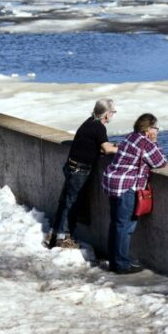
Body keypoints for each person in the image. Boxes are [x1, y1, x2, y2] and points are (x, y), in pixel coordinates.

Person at [48, 98, 118, 249]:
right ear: (106, 114)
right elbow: (106, 149)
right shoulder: (99, 127)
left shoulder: (89, 122)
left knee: (65, 201)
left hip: (71, 166)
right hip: (80, 170)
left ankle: (53, 234)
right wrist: (125, 149)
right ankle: (62, 237)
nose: (113, 115)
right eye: (113, 112)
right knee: (71, 203)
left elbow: (95, 144)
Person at [101, 113, 167, 275]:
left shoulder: (130, 137)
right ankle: (122, 265)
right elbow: (160, 162)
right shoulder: (145, 143)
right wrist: (154, 141)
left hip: (113, 182)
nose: (157, 131)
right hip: (127, 186)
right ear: (148, 129)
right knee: (125, 226)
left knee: (116, 224)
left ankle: (114, 261)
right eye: (155, 128)